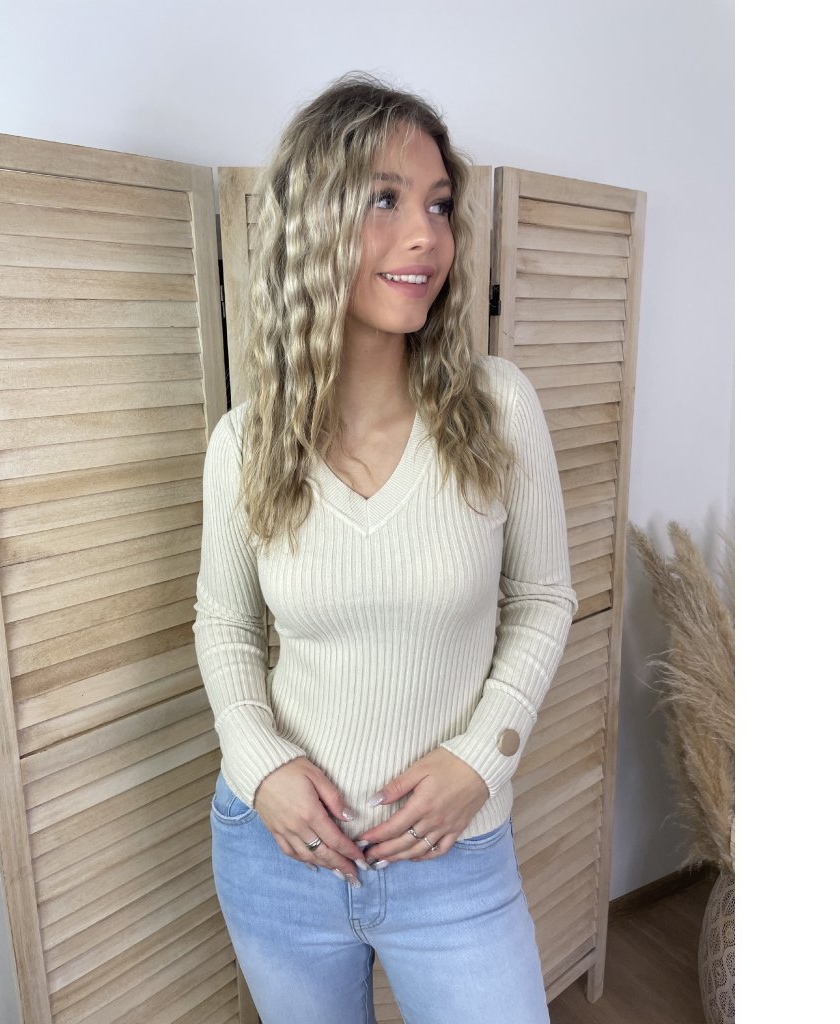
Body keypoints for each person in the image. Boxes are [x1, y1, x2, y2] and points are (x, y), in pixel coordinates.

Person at [193, 72, 577, 1024]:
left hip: (455, 859)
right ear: (310, 225)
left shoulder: (498, 410)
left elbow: (543, 600)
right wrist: (260, 764)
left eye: (439, 205)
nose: (426, 237)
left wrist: (482, 758)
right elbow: (224, 623)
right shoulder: (246, 444)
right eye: (384, 200)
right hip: (280, 854)